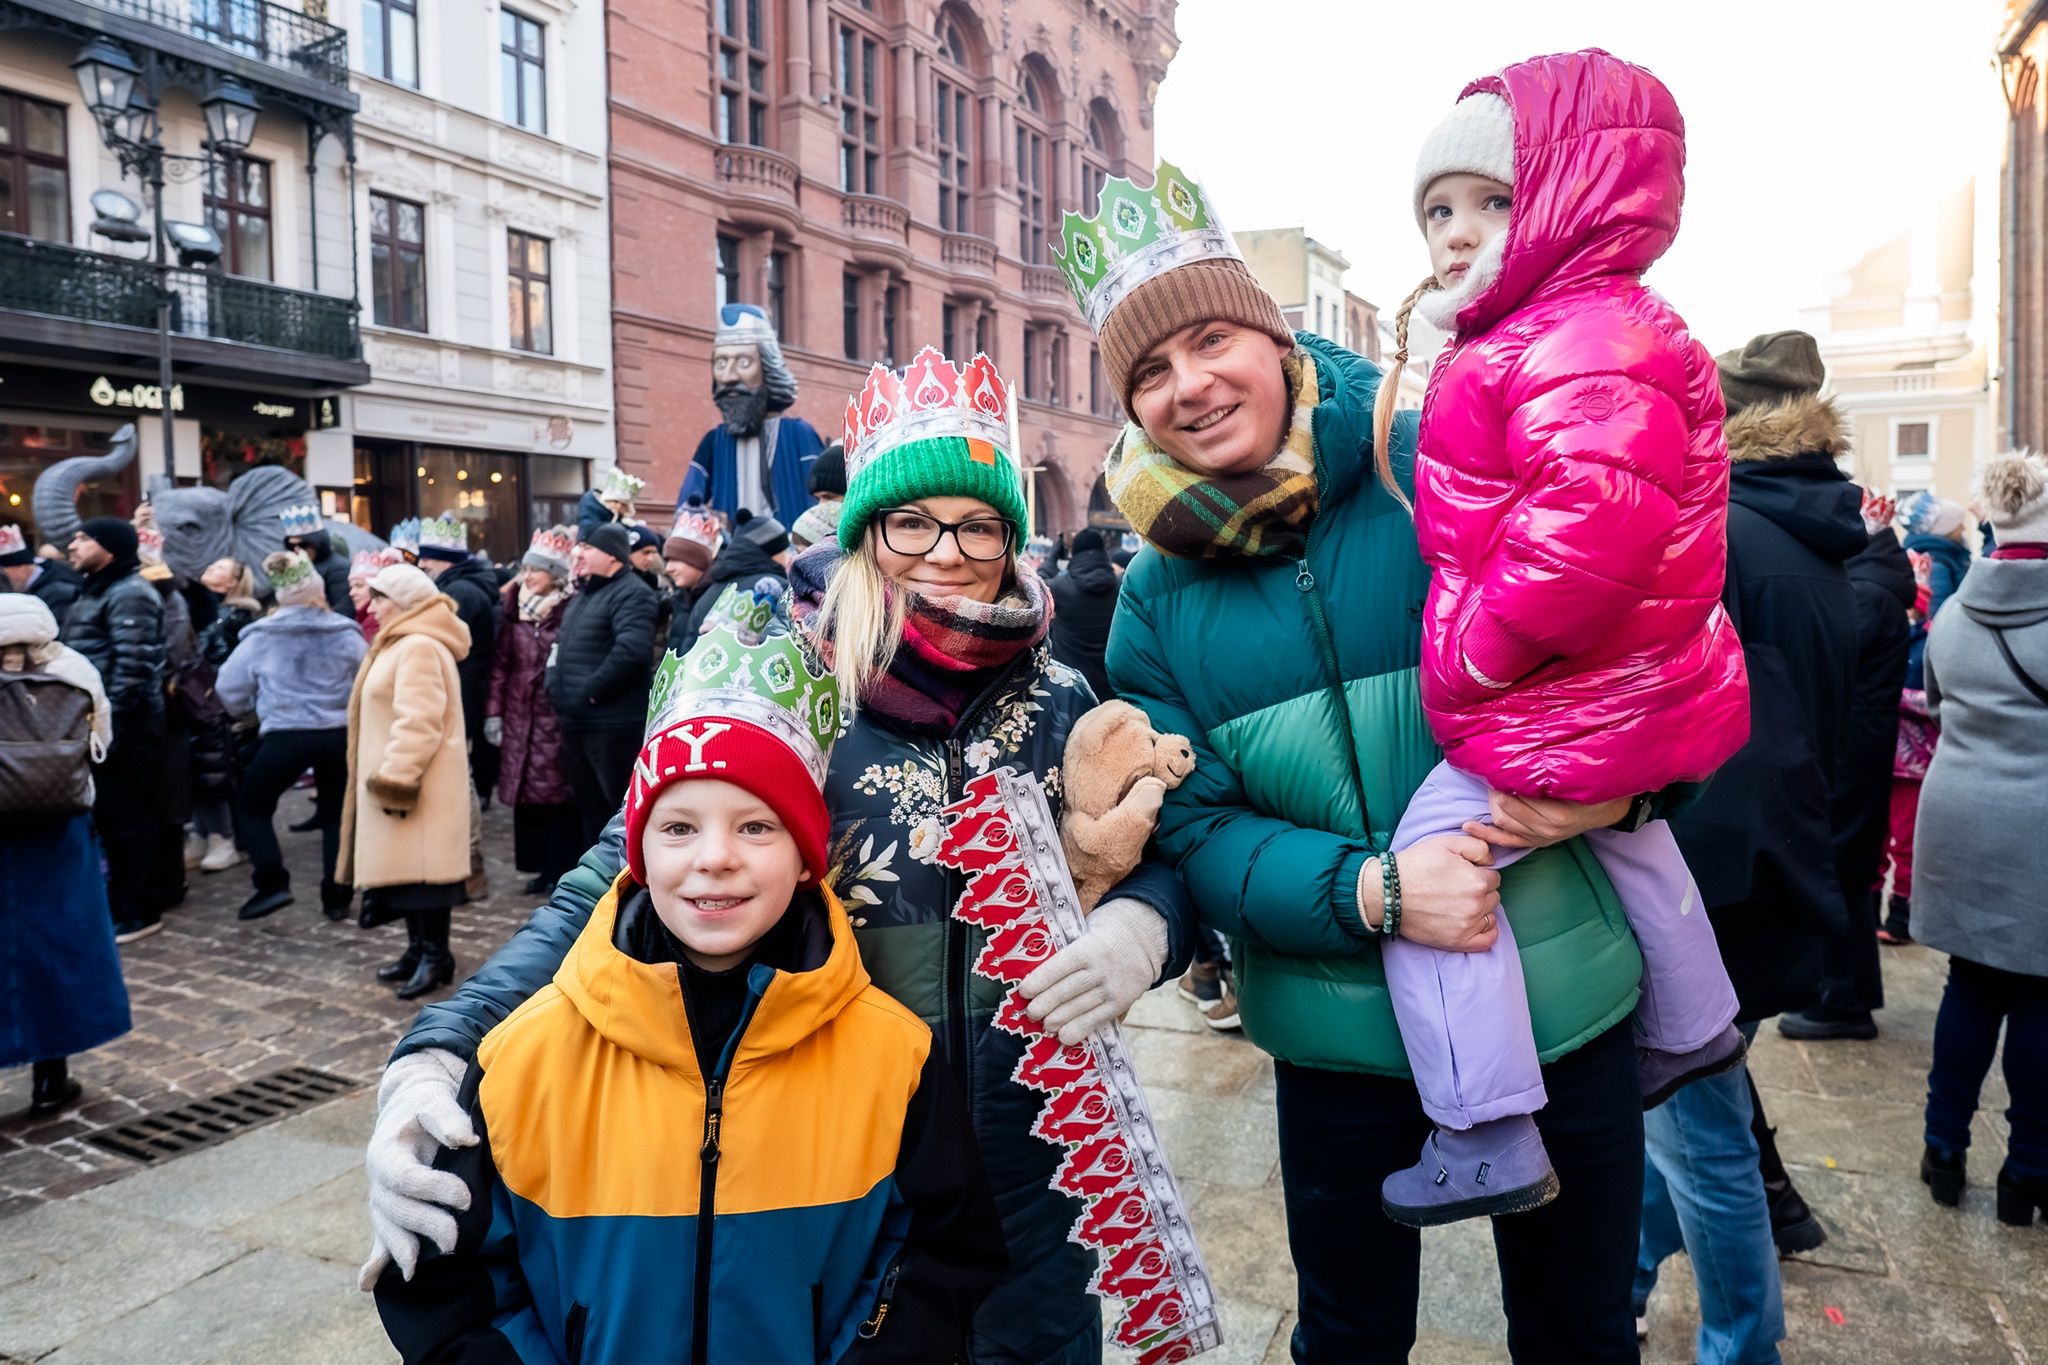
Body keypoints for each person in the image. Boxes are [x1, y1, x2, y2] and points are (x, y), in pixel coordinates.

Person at [360, 349, 1196, 1365]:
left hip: (1034, 1163)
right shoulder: (785, 681)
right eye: (910, 520)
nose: (947, 551)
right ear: (863, 533)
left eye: (978, 523)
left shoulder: (1059, 692)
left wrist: (1138, 928)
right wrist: (439, 1049)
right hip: (844, 1164)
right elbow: (616, 875)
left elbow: (1150, 843)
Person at [1070, 148, 1650, 1354]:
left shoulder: (1442, 458)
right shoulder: (1154, 601)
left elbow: (1638, 647)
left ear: (1274, 344)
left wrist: (1621, 790)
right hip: (1336, 1031)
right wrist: (1368, 891)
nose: (1189, 387)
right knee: (1343, 1335)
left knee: (1579, 1330)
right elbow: (1196, 825)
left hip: (1554, 999)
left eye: (1210, 344)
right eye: (1150, 372)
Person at [372, 620, 1008, 1362]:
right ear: (635, 850)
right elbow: (452, 1291)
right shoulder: (525, 1056)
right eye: (677, 826)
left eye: (757, 826)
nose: (715, 859)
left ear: (808, 857)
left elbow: (941, 1254)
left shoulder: (893, 1056)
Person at [1365, 61, 1751, 1225]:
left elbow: (1587, 526)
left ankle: (1480, 1123)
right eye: (1437, 210)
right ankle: (1691, 1026)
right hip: (1630, 685)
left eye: (1488, 202)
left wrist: (1475, 655)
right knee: (1634, 845)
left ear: (1568, 196)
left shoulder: (1564, 331)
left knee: (1433, 864)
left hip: (1564, 681)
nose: (1452, 234)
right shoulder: (1583, 323)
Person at [1642, 331, 1864, 1357]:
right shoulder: (1811, 527)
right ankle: (1630, 1278)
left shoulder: (1725, 532)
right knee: (1675, 1116)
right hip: (1771, 869)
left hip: (1708, 887)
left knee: (1705, 1142)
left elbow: (1709, 735)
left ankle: (1740, 1344)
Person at [1912, 451, 2048, 1226]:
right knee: (2038, 996)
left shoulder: (1957, 609)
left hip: (1960, 814)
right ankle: (2029, 1171)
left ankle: (1943, 1152)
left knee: (1969, 985)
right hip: (2038, 824)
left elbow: (1934, 700)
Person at [1780, 490, 1915, 1041]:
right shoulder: (1874, 582)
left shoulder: (1868, 591)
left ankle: (1846, 999)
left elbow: (1830, 655)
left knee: (1845, 873)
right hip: (1859, 750)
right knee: (1847, 871)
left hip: (1851, 756)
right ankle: (1844, 991)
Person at [0, 594, 131, 1118]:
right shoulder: (73, 669)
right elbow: (101, 739)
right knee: (58, 942)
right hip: (58, 828)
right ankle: (50, 1076)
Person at [338, 563, 472, 999]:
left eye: (380, 597)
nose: (371, 605)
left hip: (418, 783)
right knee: (408, 875)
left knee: (425, 878)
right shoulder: (402, 642)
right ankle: (419, 950)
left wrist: (398, 776)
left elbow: (420, 721)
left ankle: (436, 956)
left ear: (405, 601)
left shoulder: (418, 646)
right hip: (405, 781)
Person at [215, 551, 366, 923]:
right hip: (337, 733)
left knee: (252, 807)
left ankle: (271, 883)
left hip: (285, 733)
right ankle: (337, 896)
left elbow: (229, 688)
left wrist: (250, 714)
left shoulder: (262, 635)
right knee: (336, 816)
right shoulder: (345, 631)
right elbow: (365, 681)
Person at [62, 515, 167, 943]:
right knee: (111, 817)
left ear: (109, 548)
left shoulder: (131, 593)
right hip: (100, 722)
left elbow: (133, 667)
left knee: (130, 819)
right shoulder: (96, 590)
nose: (72, 545)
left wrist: (113, 724)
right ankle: (123, 899)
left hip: (126, 725)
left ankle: (140, 910)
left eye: (84, 538)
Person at [1883, 491, 1972, 944]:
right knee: (1894, 840)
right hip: (1900, 748)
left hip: (1911, 752)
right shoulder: (1902, 632)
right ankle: (1890, 910)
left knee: (1905, 840)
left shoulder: (1930, 632)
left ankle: (1901, 913)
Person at [547, 521, 658, 846]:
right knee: (590, 807)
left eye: (587, 548)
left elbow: (632, 652)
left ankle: (625, 882)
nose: (578, 553)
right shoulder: (584, 594)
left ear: (611, 556)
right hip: (577, 721)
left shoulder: (633, 593)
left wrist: (590, 694)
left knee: (617, 810)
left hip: (611, 724)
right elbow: (561, 646)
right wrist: (554, 688)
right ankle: (594, 885)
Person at [486, 527, 579, 897]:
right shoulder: (513, 613)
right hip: (519, 715)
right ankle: (538, 867)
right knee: (527, 798)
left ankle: (560, 868)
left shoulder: (567, 610)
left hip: (551, 717)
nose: (527, 578)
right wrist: (494, 713)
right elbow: (500, 667)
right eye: (525, 570)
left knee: (556, 796)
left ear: (555, 575)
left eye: (535, 571)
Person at [680, 303, 823, 528]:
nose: (728, 377)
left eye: (744, 363)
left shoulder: (799, 435)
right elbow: (688, 505)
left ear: (768, 367)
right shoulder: (714, 441)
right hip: (733, 557)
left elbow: (822, 504)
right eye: (720, 363)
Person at [186, 556, 263, 874]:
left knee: (219, 771)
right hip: (199, 698)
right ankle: (202, 833)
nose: (209, 568)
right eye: (211, 565)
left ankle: (227, 838)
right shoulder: (199, 608)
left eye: (220, 568)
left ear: (233, 581)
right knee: (199, 768)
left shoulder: (238, 616)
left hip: (220, 703)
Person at [415, 515, 499, 800]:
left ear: (447, 560)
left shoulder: (458, 592)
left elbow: (444, 643)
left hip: (463, 685)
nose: (421, 564)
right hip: (467, 683)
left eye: (428, 558)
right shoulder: (458, 587)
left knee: (459, 766)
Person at [680, 507, 789, 641]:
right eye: (785, 549)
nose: (788, 556)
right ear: (772, 550)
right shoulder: (773, 586)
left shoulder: (713, 586)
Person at [1047, 527, 1120, 703]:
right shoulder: (1121, 586)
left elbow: (1036, 589)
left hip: (1071, 687)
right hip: (1112, 684)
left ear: (1075, 553)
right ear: (1104, 551)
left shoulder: (1061, 586)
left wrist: (1052, 558)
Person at [660, 500, 722, 653]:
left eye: (675, 560)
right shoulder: (680, 597)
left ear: (697, 561)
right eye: (667, 560)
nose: (668, 568)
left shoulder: (720, 598)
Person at [1, 522, 83, 624]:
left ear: (21, 567)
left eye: (4, 571)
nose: (3, 578)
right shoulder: (44, 585)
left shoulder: (59, 592)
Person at [280, 503, 355, 614]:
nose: (296, 550)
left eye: (303, 545)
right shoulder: (295, 567)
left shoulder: (339, 568)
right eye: (291, 546)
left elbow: (343, 610)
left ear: (317, 542)